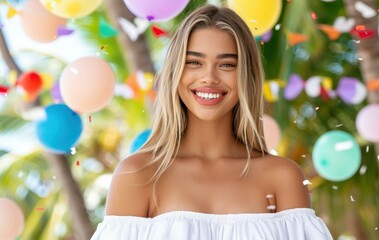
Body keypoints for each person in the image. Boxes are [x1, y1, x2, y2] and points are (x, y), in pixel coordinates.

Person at [91, 4, 332, 240]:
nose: (209, 78)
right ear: (175, 71)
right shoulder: (139, 174)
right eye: (194, 62)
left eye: (227, 64)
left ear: (245, 76)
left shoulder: (282, 177)